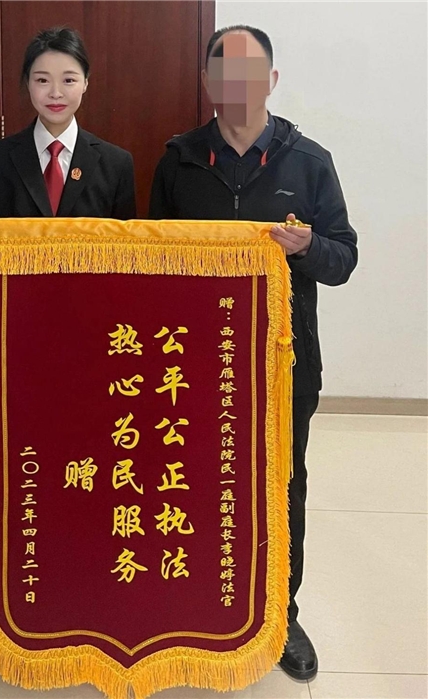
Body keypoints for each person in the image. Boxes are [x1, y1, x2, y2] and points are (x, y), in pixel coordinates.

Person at [149, 25, 358, 681]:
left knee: (280, 482)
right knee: (192, 477)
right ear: (208, 83)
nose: (237, 86)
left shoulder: (309, 161)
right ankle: (193, 601)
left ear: (270, 81)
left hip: (283, 363)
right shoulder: (179, 160)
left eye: (250, 73)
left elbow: (344, 258)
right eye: (224, 73)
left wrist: (308, 248)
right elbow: (149, 257)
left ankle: (280, 614)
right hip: (193, 364)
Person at [0, 26, 136, 243]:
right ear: (28, 83)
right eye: (42, 80)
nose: (55, 93)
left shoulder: (116, 164)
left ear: (86, 83)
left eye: (68, 80)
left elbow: (125, 250)